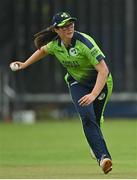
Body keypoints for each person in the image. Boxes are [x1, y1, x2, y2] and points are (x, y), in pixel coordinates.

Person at [10, 12, 113, 174]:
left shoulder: (84, 42)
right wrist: (24, 64)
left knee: (94, 119)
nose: (69, 28)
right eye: (64, 26)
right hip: (77, 83)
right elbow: (43, 50)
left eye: (71, 24)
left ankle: (95, 141)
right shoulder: (55, 45)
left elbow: (103, 70)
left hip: (102, 83)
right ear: (56, 30)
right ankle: (103, 158)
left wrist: (93, 95)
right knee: (87, 118)